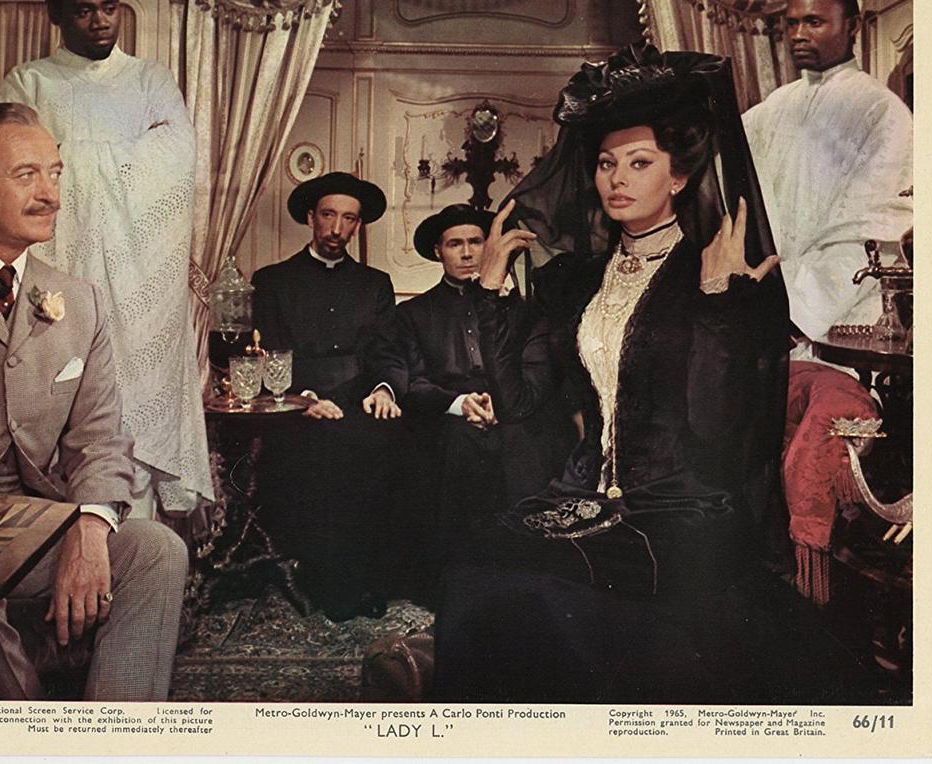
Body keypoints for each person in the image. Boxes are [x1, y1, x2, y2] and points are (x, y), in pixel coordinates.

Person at [432, 45, 876, 703]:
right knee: (474, 563)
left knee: (537, 586)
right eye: (607, 163)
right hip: (582, 491)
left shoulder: (718, 274)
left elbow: (718, 431)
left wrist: (721, 302)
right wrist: (492, 291)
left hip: (684, 508)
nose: (618, 178)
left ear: (678, 178)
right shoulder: (574, 280)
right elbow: (520, 402)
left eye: (640, 163)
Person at [0, 103, 188, 700]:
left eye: (54, 174)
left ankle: (119, 733)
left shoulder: (78, 299)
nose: (50, 194)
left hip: (34, 526)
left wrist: (91, 525)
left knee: (156, 549)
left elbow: (99, 436)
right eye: (26, 175)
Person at [0, 0, 212, 518]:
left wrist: (75, 157)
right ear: (56, 15)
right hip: (62, 266)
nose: (100, 22)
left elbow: (178, 157)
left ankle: (136, 534)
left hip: (141, 279)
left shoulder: (149, 80)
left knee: (134, 405)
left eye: (110, 8)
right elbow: (12, 164)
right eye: (84, 10)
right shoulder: (30, 82)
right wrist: (111, 156)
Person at [742, 0, 913, 604]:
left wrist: (795, 303)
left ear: (853, 25)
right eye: (791, 23)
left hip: (831, 317)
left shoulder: (884, 114)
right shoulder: (772, 110)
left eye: (814, 21)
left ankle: (815, 589)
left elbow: (870, 226)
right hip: (767, 304)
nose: (799, 34)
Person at [251, 172, 403, 620]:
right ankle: (331, 588)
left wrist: (383, 388)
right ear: (310, 218)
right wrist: (305, 398)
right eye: (329, 216)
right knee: (325, 454)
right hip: (296, 404)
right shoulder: (273, 281)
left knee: (389, 443)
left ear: (358, 225)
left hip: (358, 399)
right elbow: (269, 355)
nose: (337, 229)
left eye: (349, 219)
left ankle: (370, 580)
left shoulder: (375, 284)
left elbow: (385, 351)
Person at [393, 204, 568, 551]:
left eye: (475, 242)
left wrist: (501, 404)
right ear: (438, 251)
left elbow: (536, 375)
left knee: (530, 441)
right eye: (455, 244)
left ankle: (528, 556)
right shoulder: (412, 314)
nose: (467, 253)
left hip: (514, 413)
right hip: (448, 420)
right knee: (454, 445)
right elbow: (412, 382)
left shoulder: (522, 311)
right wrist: (459, 404)